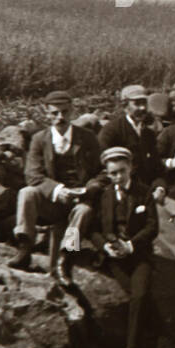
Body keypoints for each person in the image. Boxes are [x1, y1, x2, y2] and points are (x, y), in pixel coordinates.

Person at [9, 90, 103, 283]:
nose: (60, 117)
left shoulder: (87, 138)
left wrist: (88, 188)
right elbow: (32, 174)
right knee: (27, 193)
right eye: (54, 113)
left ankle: (66, 258)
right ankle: (25, 246)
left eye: (65, 112)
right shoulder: (39, 139)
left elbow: (102, 172)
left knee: (84, 212)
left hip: (79, 201)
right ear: (46, 113)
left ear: (72, 112)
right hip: (51, 202)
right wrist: (57, 190)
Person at [88, 147, 158, 348]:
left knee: (139, 295)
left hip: (138, 253)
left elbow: (152, 226)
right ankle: (169, 346)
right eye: (113, 173)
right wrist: (105, 247)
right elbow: (93, 229)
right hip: (114, 255)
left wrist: (131, 245)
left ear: (131, 169)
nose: (118, 177)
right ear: (107, 174)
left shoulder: (144, 192)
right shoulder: (104, 196)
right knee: (134, 294)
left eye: (122, 171)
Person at [98, 84, 167, 200]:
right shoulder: (111, 131)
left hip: (148, 192)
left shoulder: (148, 134)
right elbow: (103, 168)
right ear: (125, 106)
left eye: (144, 103)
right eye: (137, 104)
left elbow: (157, 168)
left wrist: (159, 188)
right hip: (121, 193)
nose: (142, 108)